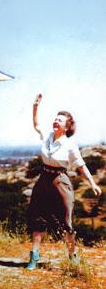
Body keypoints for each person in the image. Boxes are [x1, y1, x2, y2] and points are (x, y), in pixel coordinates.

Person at [26, 93, 102, 270]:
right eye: (55, 119)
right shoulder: (47, 136)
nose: (55, 121)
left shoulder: (70, 145)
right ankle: (34, 256)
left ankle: (72, 256)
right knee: (38, 218)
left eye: (59, 120)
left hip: (60, 181)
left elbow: (81, 166)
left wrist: (92, 183)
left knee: (66, 222)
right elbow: (36, 124)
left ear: (67, 127)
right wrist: (35, 106)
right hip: (43, 179)